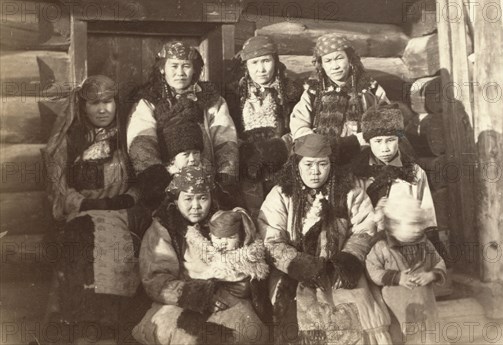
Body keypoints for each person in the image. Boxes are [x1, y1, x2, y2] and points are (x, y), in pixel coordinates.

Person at [42, 75, 149, 341]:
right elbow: (58, 188)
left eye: (108, 101)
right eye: (95, 103)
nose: (103, 109)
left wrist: (125, 201)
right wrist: (86, 203)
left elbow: (142, 181)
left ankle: (113, 333)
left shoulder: (127, 137)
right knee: (82, 267)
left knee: (122, 265)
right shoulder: (70, 141)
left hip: (123, 219)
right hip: (80, 220)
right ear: (83, 106)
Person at [258, 133, 392, 344]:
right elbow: (270, 240)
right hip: (295, 273)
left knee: (358, 314)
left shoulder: (349, 192)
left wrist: (349, 258)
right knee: (296, 323)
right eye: (309, 165)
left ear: (331, 164)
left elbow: (365, 228)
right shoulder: (281, 195)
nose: (316, 172)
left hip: (339, 269)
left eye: (322, 164)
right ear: (296, 165)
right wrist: (299, 264)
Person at [132, 166, 270, 345]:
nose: (196, 206)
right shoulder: (163, 228)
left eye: (203, 198)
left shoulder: (223, 222)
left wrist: (245, 284)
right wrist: (198, 296)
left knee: (251, 334)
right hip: (179, 300)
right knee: (187, 338)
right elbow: (156, 280)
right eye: (188, 199)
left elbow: (249, 257)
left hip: (226, 297)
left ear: (211, 198)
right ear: (176, 198)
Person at [127, 41, 239, 209]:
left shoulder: (211, 99)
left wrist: (224, 179)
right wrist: (158, 183)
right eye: (174, 66)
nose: (180, 73)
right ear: (162, 68)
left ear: (194, 69)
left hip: (206, 181)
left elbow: (225, 140)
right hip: (165, 182)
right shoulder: (148, 100)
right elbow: (141, 144)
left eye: (186, 66)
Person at [225, 36, 303, 218]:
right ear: (246, 66)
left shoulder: (292, 92)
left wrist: (280, 147)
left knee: (281, 212)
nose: (260, 69)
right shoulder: (234, 94)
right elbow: (227, 128)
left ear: (275, 61)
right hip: (248, 164)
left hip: (283, 162)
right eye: (254, 63)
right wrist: (246, 152)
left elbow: (300, 127)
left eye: (266, 61)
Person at [289, 33, 390, 161]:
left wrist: (364, 138)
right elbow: (299, 123)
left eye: (339, 58)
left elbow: (387, 119)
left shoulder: (369, 88)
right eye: (328, 61)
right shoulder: (314, 91)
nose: (335, 66)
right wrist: (316, 143)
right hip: (323, 154)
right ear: (321, 65)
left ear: (350, 59)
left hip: (362, 151)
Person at [365, 202, 446, 344]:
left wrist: (431, 275)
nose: (417, 229)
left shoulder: (425, 245)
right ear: (394, 225)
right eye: (411, 224)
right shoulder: (382, 247)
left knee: (429, 337)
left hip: (425, 303)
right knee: (401, 337)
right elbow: (371, 269)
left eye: (419, 224)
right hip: (397, 307)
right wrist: (396, 277)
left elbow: (439, 262)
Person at [350, 103, 437, 231]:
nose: (385, 149)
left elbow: (427, 216)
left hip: (405, 238)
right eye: (378, 141)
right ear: (368, 142)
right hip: (365, 240)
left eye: (390, 140)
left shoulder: (414, 172)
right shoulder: (357, 172)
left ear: (399, 140)